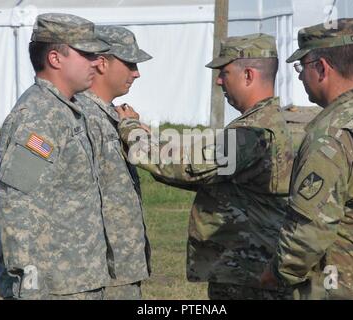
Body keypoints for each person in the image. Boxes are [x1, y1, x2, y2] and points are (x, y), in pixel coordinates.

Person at [115, 34, 294, 299]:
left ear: (248, 75)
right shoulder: (267, 123)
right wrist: (150, 138)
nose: (219, 80)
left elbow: (188, 167)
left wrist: (130, 130)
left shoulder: (253, 132)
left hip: (249, 272)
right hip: (251, 265)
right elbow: (205, 170)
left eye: (224, 72)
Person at [261, 18, 353, 300]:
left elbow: (309, 229)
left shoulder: (330, 134)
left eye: (302, 67)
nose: (301, 77)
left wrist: (277, 272)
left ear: (322, 68)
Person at [0, 13, 112, 299]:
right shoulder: (40, 116)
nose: (96, 62)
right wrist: (28, 278)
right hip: (53, 284)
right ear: (56, 59)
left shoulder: (66, 108)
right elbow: (17, 200)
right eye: (86, 54)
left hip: (76, 277)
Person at [75, 25, 152, 300]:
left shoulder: (108, 115)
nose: (137, 72)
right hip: (100, 269)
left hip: (120, 266)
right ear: (102, 62)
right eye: (129, 63)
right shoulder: (80, 116)